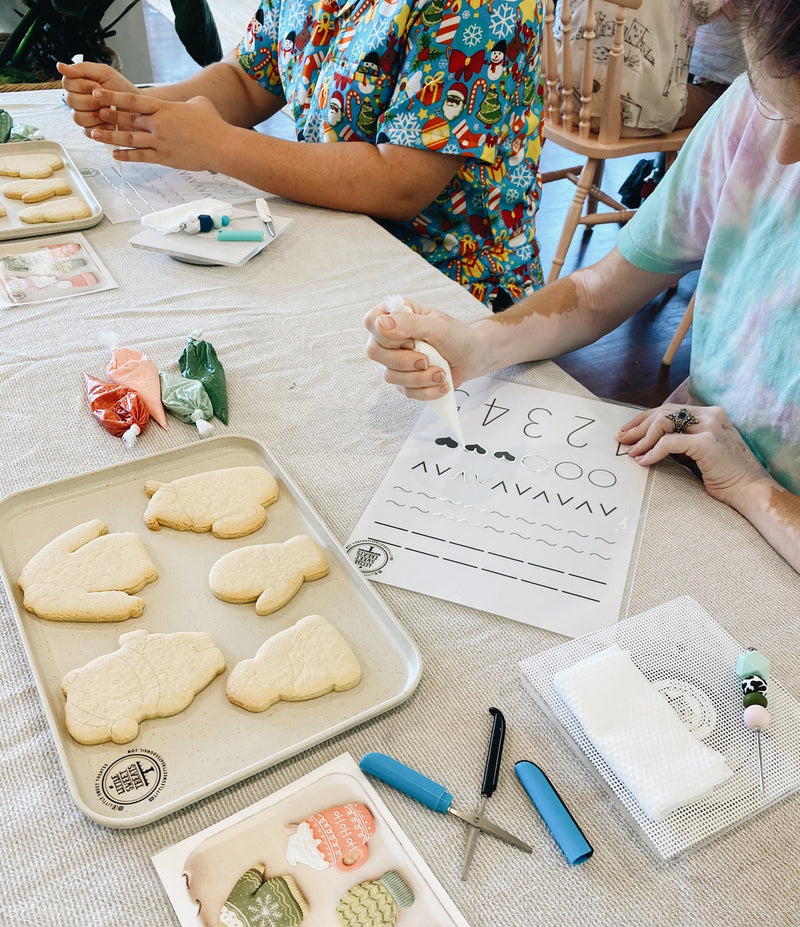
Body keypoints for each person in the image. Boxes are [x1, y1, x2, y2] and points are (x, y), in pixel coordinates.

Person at [364, 0, 800, 573]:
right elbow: (601, 290)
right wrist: (480, 345)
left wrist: (752, 485)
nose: (785, 153)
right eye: (780, 109)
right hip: (686, 472)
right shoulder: (751, 117)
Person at [58, 1, 545, 309]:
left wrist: (217, 145)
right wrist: (145, 105)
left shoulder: (484, 8)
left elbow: (400, 183)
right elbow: (248, 79)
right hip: (336, 233)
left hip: (449, 282)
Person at [555, 0, 727, 137]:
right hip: (633, 121)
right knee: (726, 104)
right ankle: (668, 178)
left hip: (559, 100)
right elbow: (715, 10)